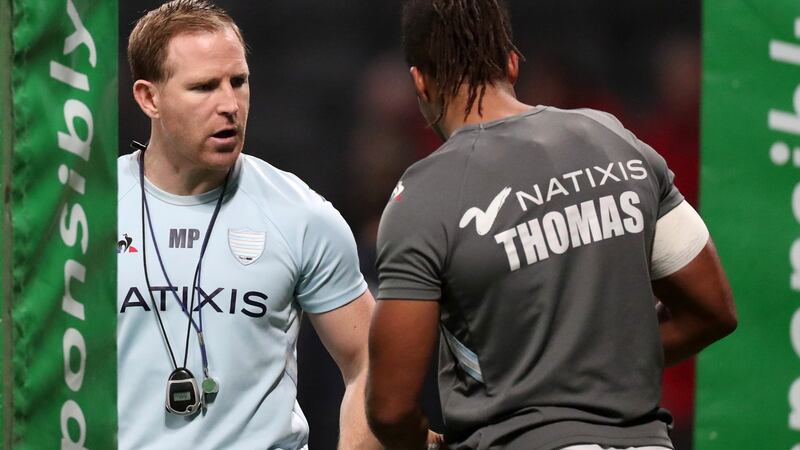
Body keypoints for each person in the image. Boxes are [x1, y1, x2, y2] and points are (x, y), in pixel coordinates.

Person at [365, 1, 737, 449]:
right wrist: (596, 369)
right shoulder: (617, 140)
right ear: (513, 64)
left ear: (419, 83)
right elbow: (712, 311)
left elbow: (390, 408)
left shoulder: (420, 199)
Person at [117, 1, 380, 448]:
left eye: (238, 82)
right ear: (149, 97)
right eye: (203, 87)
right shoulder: (89, 211)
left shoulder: (300, 214)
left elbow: (370, 361)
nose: (229, 105)